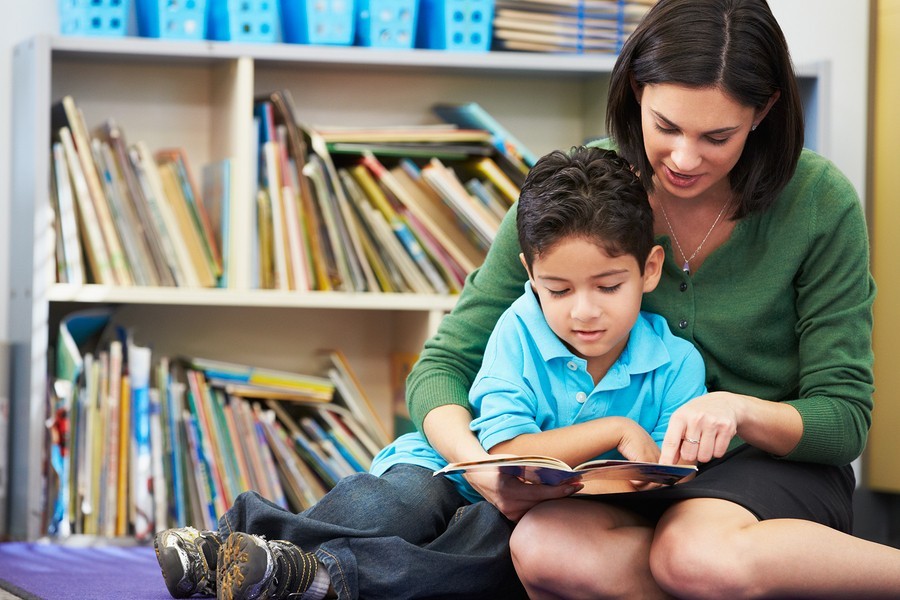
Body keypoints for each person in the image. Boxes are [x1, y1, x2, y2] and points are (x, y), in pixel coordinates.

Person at [406, 0, 893, 597]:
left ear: (764, 111)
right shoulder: (581, 192)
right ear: (635, 89)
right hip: (628, 474)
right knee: (542, 547)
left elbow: (844, 417)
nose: (685, 159)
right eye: (665, 126)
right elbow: (445, 365)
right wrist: (480, 466)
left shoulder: (819, 202)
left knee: (693, 553)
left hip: (766, 469)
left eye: (718, 136)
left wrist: (739, 410)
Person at [153, 146, 706, 600]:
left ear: (650, 269)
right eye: (558, 290)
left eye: (608, 287)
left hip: (538, 518)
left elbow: (657, 483)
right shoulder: (519, 329)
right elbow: (508, 449)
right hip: (450, 467)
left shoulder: (678, 366)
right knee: (390, 505)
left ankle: (312, 577)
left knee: (485, 556)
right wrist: (613, 434)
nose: (584, 311)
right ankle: (232, 543)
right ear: (530, 275)